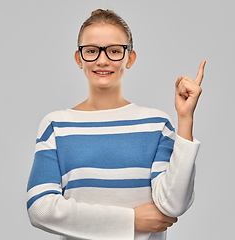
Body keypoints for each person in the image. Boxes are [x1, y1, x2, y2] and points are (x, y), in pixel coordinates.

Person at [26, 9, 205, 240]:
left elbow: (173, 205)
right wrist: (131, 221)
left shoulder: (156, 125)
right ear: (79, 58)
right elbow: (40, 208)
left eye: (114, 51)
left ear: (130, 58)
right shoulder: (56, 125)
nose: (102, 60)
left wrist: (185, 119)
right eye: (91, 51)